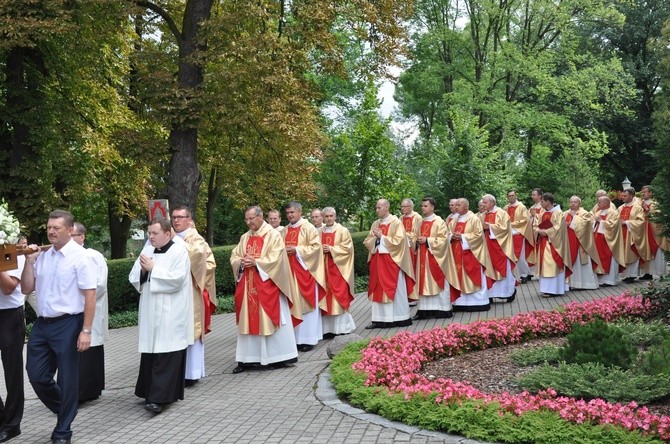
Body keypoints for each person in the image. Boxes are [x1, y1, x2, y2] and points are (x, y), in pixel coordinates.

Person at [21, 210, 97, 444]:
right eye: (49, 227)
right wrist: (29, 262)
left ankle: (63, 430)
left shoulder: (80, 257)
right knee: (36, 375)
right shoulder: (44, 256)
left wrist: (86, 331)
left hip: (69, 323)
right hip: (43, 325)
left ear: (70, 230)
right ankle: (66, 409)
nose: (51, 231)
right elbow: (26, 289)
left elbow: (90, 294)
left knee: (68, 378)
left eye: (57, 228)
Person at [129, 218, 194, 414]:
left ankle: (160, 397)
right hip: (150, 307)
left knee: (167, 350)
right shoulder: (147, 250)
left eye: (154, 233)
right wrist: (142, 270)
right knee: (151, 349)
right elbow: (134, 277)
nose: (150, 237)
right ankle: (147, 391)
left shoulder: (179, 251)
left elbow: (178, 279)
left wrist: (153, 269)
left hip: (171, 310)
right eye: (149, 233)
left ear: (167, 233)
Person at [230, 206, 298, 373]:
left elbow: (277, 259)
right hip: (248, 286)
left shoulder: (273, 235)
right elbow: (235, 255)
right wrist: (240, 262)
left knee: (269, 319)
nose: (248, 222)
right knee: (248, 318)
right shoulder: (245, 237)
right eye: (246, 219)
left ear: (260, 217)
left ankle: (278, 357)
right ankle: (248, 359)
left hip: (268, 285)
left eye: (251, 219)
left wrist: (256, 263)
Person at [171, 206, 217, 388]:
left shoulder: (196, 239)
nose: (176, 221)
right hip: (174, 292)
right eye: (174, 217)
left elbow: (204, 261)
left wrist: (176, 240)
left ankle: (192, 372)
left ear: (189, 220)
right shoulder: (171, 238)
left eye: (181, 217)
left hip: (191, 290)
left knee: (191, 329)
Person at [70, 223, 109, 403]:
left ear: (82, 237)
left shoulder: (93, 256)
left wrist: (78, 297)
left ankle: (88, 390)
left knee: (89, 352)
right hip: (70, 313)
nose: (70, 239)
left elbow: (99, 284)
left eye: (73, 235)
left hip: (89, 308)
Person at [363, 199, 416, 328]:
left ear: (386, 207)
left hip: (392, 262)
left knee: (394, 288)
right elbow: (368, 240)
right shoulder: (376, 223)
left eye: (379, 207)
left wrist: (382, 237)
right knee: (378, 288)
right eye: (376, 208)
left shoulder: (396, 223)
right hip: (378, 261)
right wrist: (375, 240)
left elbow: (400, 242)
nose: (377, 210)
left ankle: (399, 318)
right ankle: (378, 319)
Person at [282, 201, 326, 351]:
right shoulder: (284, 231)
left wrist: (297, 250)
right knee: (292, 305)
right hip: (289, 273)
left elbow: (316, 248)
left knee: (308, 306)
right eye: (288, 213)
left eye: (292, 212)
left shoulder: (309, 228)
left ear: (300, 212)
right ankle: (294, 339)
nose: (290, 215)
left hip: (305, 272)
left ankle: (308, 339)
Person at [445, 198, 494, 311]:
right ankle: (460, 303)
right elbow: (447, 233)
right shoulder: (453, 220)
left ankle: (478, 302)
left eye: (459, 205)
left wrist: (462, 237)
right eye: (455, 205)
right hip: (456, 253)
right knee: (458, 276)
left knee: (472, 275)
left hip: (471, 254)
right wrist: (451, 236)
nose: (456, 207)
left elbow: (478, 236)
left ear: (466, 206)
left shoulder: (474, 219)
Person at [0, 243, 26, 443]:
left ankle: (12, 424)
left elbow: (9, 287)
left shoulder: (13, 253)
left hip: (9, 316)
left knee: (12, 373)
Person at [413, 197, 452, 319]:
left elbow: (443, 241)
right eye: (422, 206)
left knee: (437, 281)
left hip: (434, 258)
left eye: (425, 206)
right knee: (423, 282)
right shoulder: (420, 222)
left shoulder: (439, 222)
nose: (422, 208)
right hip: (422, 256)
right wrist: (417, 241)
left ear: (432, 207)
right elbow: (415, 237)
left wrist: (427, 240)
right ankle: (424, 310)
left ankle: (442, 309)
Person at [320, 207, 356, 335]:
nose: (329, 218)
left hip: (338, 269)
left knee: (338, 297)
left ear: (335, 217)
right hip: (323, 270)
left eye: (331, 216)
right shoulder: (319, 231)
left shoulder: (342, 231)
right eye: (326, 216)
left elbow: (347, 249)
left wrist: (331, 249)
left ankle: (341, 328)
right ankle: (327, 330)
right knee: (324, 298)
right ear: (323, 218)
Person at [481, 194, 517, 302]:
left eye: (485, 202)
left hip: (500, 247)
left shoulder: (502, 213)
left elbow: (505, 229)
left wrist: (490, 227)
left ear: (492, 203)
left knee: (503, 269)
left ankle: (508, 293)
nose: (483, 204)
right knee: (488, 268)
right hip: (487, 246)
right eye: (483, 202)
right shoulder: (482, 215)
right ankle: (490, 294)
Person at [534, 193, 571, 297]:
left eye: (542, 201)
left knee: (552, 264)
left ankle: (554, 289)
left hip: (554, 244)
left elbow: (559, 228)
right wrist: (538, 230)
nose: (540, 204)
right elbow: (535, 225)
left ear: (548, 202)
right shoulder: (542, 214)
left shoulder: (559, 213)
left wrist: (546, 232)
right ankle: (547, 289)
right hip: (543, 242)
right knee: (544, 264)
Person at [564, 197, 600, 290]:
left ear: (579, 203)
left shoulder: (585, 213)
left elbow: (587, 225)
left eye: (575, 202)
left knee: (581, 264)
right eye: (571, 202)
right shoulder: (565, 213)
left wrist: (574, 218)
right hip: (569, 242)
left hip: (581, 243)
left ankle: (585, 284)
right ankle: (572, 283)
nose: (573, 203)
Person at [618, 187, 650, 283]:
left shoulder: (637, 207)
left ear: (631, 196)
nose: (623, 197)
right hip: (622, 234)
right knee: (624, 254)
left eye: (625, 196)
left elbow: (641, 221)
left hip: (631, 235)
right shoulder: (620, 208)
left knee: (632, 253)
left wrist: (627, 223)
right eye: (622, 195)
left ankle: (632, 275)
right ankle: (626, 275)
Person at [593, 196, 626, 286]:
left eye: (599, 202)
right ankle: (601, 280)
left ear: (606, 203)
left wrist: (601, 222)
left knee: (610, 258)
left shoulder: (614, 213)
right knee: (600, 259)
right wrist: (595, 222)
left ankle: (610, 280)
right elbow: (593, 225)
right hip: (598, 240)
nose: (598, 204)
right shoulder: (598, 212)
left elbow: (613, 226)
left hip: (609, 241)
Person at [503, 190, 534, 283]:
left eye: (513, 195)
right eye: (509, 196)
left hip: (518, 233)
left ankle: (524, 274)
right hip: (508, 234)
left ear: (516, 196)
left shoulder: (522, 207)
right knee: (510, 254)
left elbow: (525, 220)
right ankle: (514, 274)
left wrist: (511, 224)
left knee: (520, 255)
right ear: (507, 197)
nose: (511, 197)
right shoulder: (505, 208)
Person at [640, 185, 668, 279]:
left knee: (657, 252)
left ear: (651, 193)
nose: (643, 194)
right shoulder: (640, 203)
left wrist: (646, 209)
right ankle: (647, 273)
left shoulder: (655, 203)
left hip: (654, 232)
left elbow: (658, 218)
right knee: (646, 250)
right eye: (642, 192)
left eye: (645, 192)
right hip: (645, 230)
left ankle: (660, 273)